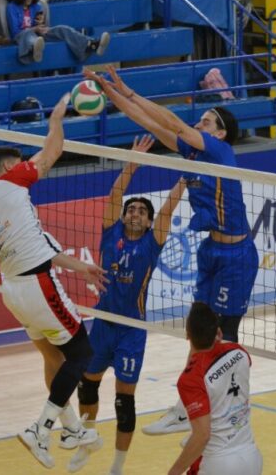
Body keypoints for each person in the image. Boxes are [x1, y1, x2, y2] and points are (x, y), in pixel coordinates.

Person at [84, 67, 258, 437]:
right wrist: (113, 92)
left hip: (237, 256)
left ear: (220, 132)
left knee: (225, 334)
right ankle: (187, 404)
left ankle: (232, 402)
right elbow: (144, 119)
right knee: (197, 330)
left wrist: (129, 88)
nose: (200, 123)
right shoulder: (191, 154)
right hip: (212, 250)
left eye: (207, 120)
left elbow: (174, 123)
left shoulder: (220, 150)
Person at [0, 94, 106, 468]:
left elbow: (45, 249)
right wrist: (57, 119)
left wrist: (82, 268)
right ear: (8, 166)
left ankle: (71, 429)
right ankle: (40, 428)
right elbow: (51, 154)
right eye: (20, 163)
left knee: (53, 356)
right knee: (82, 354)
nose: (27, 167)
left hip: (15, 290)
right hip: (37, 286)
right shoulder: (9, 184)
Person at [69, 136, 186, 475]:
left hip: (132, 330)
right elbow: (114, 196)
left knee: (124, 401)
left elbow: (168, 209)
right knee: (87, 384)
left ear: (149, 222)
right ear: (123, 218)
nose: (135, 213)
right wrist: (132, 163)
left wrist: (184, 178)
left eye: (141, 211)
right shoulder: (110, 233)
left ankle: (118, 466)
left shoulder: (153, 243)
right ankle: (87, 440)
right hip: (103, 324)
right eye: (131, 210)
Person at [168, 302, 262, 475]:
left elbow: (202, 435)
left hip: (219, 464)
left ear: (187, 335)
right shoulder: (239, 352)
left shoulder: (190, 379)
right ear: (218, 333)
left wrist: (174, 472)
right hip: (251, 457)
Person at [9, 0, 109, 65]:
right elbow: (15, 32)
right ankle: (33, 48)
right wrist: (34, 29)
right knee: (27, 34)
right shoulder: (12, 7)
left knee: (62, 29)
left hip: (38, 35)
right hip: (22, 36)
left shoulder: (36, 6)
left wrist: (40, 27)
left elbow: (39, 25)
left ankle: (91, 44)